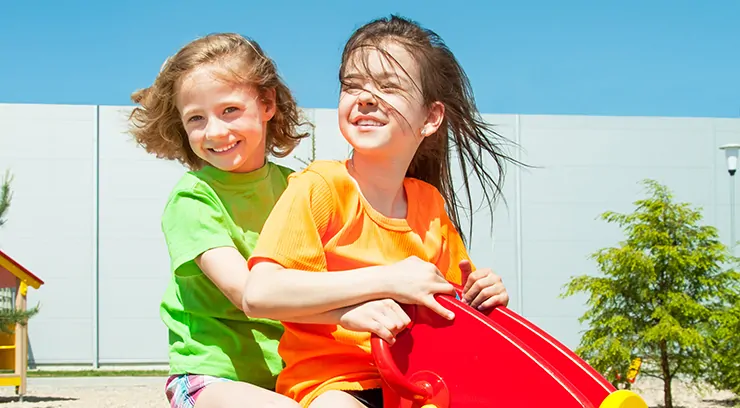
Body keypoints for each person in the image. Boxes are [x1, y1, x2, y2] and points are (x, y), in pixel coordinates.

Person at [243, 15, 519, 408]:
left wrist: (484, 297)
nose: (366, 97)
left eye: (389, 86)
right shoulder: (319, 187)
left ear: (430, 118)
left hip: (417, 386)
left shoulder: (429, 205)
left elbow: (452, 313)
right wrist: (388, 279)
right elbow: (260, 292)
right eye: (352, 85)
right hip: (335, 386)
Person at [128, 33, 313, 408]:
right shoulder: (193, 198)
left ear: (267, 103)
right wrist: (354, 306)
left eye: (229, 110)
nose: (214, 131)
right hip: (209, 377)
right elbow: (249, 294)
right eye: (196, 118)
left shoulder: (298, 188)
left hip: (288, 372)